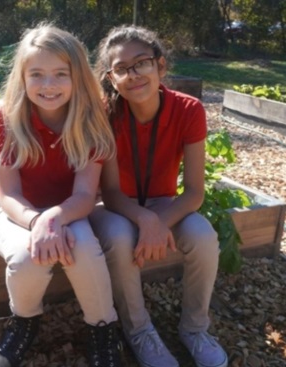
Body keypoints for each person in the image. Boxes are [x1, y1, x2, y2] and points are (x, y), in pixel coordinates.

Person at [89, 25, 228, 367]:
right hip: (114, 207)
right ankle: (138, 331)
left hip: (164, 203)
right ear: (111, 77)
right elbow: (109, 192)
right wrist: (146, 220)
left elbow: (194, 192)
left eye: (142, 63)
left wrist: (159, 220)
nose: (133, 75)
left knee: (203, 236)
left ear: (160, 66)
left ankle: (194, 329)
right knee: (120, 238)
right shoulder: (106, 114)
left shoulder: (189, 109)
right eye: (121, 69)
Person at [0, 23, 124, 367]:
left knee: (85, 250)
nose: (48, 85)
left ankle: (103, 327)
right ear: (22, 76)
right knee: (25, 256)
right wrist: (38, 221)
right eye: (37, 74)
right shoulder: (8, 116)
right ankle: (25, 320)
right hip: (16, 211)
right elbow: (9, 195)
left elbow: (84, 194)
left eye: (61, 74)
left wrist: (55, 217)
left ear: (77, 76)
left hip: (71, 209)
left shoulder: (92, 117)